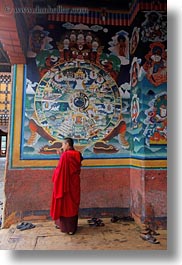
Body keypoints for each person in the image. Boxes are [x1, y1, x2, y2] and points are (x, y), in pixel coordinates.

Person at [50, 137, 83, 235]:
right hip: (75, 184)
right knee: (73, 205)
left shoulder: (66, 155)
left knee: (65, 205)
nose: (62, 147)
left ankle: (65, 227)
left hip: (65, 185)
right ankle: (72, 228)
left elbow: (60, 170)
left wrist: (55, 177)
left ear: (67, 144)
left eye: (63, 144)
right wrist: (62, 155)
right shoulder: (77, 154)